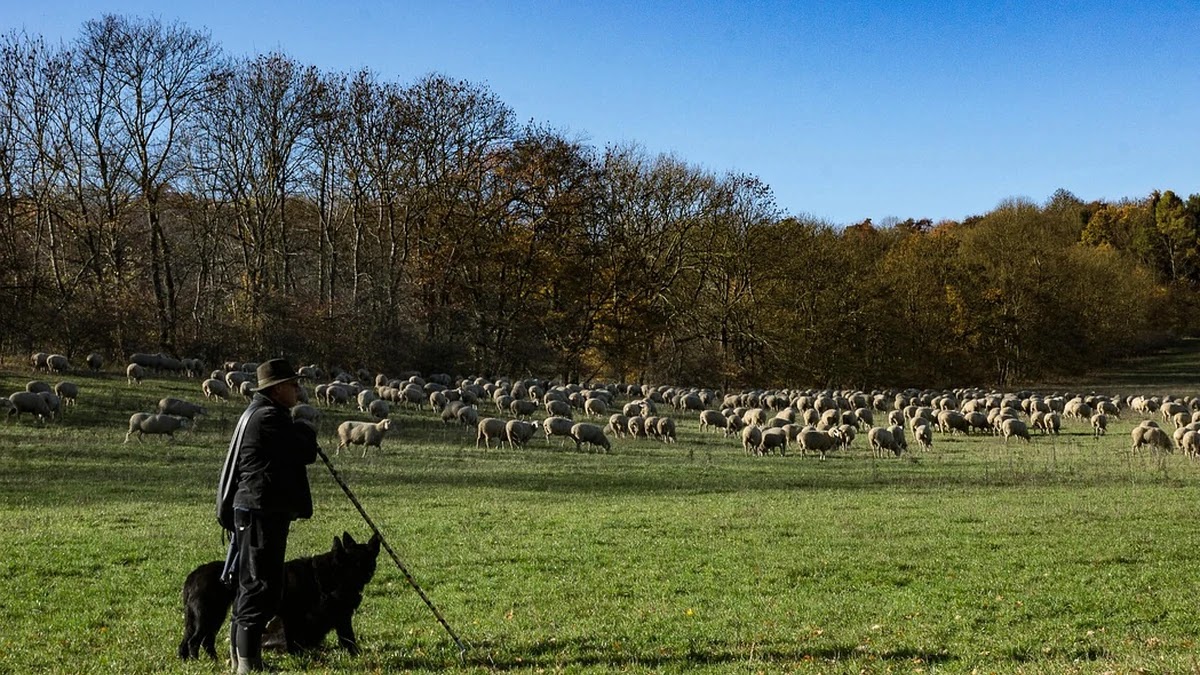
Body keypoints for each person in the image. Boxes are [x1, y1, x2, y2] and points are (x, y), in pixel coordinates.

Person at [215, 358, 319, 673]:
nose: (297, 390)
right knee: (261, 586)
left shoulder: (259, 414)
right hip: (262, 511)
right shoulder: (270, 419)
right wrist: (304, 426)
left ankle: (242, 660)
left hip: (257, 509)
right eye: (292, 385)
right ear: (276, 390)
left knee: (253, 584)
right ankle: (248, 665)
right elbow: (304, 451)